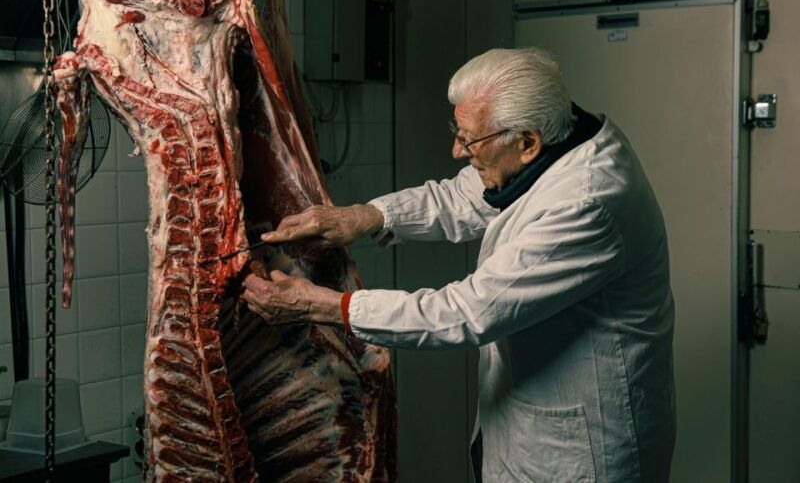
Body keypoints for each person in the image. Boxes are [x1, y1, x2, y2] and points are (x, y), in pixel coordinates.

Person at [242, 47, 676, 482]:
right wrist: (364, 216)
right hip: (525, 423)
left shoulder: (587, 202)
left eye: (468, 139)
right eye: (458, 130)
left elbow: (467, 313)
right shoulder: (557, 138)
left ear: (527, 143)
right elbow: (465, 196)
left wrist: (323, 307)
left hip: (581, 452)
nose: (456, 150)